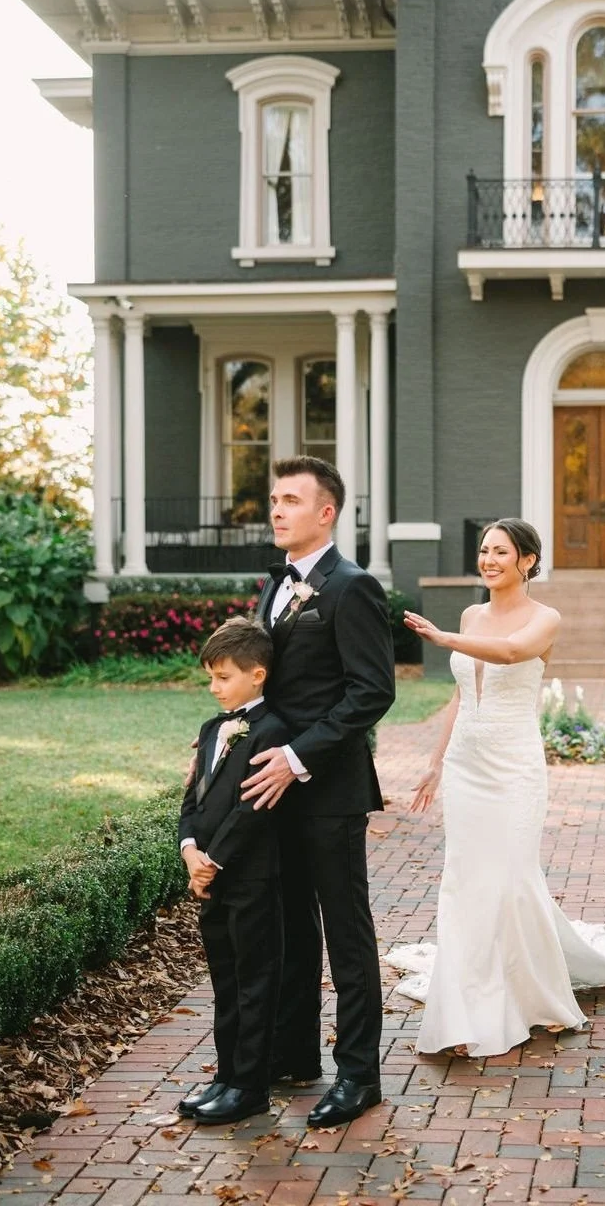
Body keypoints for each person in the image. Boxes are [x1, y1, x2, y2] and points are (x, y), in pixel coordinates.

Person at [387, 519, 605, 1059]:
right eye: (483, 551)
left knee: (510, 878)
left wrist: (441, 638)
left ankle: (523, 989)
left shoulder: (545, 618)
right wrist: (436, 764)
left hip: (514, 769)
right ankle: (467, 1006)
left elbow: (509, 654)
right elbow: (463, 697)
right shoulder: (471, 614)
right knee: (465, 880)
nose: (488, 560)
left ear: (527, 561)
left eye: (500, 552)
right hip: (467, 764)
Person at [240, 456, 396, 1128]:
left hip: (329, 789)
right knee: (291, 929)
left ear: (325, 512)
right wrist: (229, 736)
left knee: (346, 934)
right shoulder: (275, 587)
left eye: (291, 500)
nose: (277, 510)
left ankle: (358, 1076)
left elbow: (372, 691)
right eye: (273, 499)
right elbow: (266, 687)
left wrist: (299, 757)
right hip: (274, 790)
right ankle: (296, 1053)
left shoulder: (350, 586)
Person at [177, 616, 292, 1124]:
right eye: (211, 678)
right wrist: (189, 852)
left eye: (224, 677)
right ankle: (225, 1076)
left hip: (250, 877)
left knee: (255, 980)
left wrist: (215, 861)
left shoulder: (272, 729)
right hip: (210, 878)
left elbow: (253, 809)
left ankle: (250, 1085)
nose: (214, 687)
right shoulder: (209, 729)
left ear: (257, 674)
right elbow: (191, 799)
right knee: (224, 977)